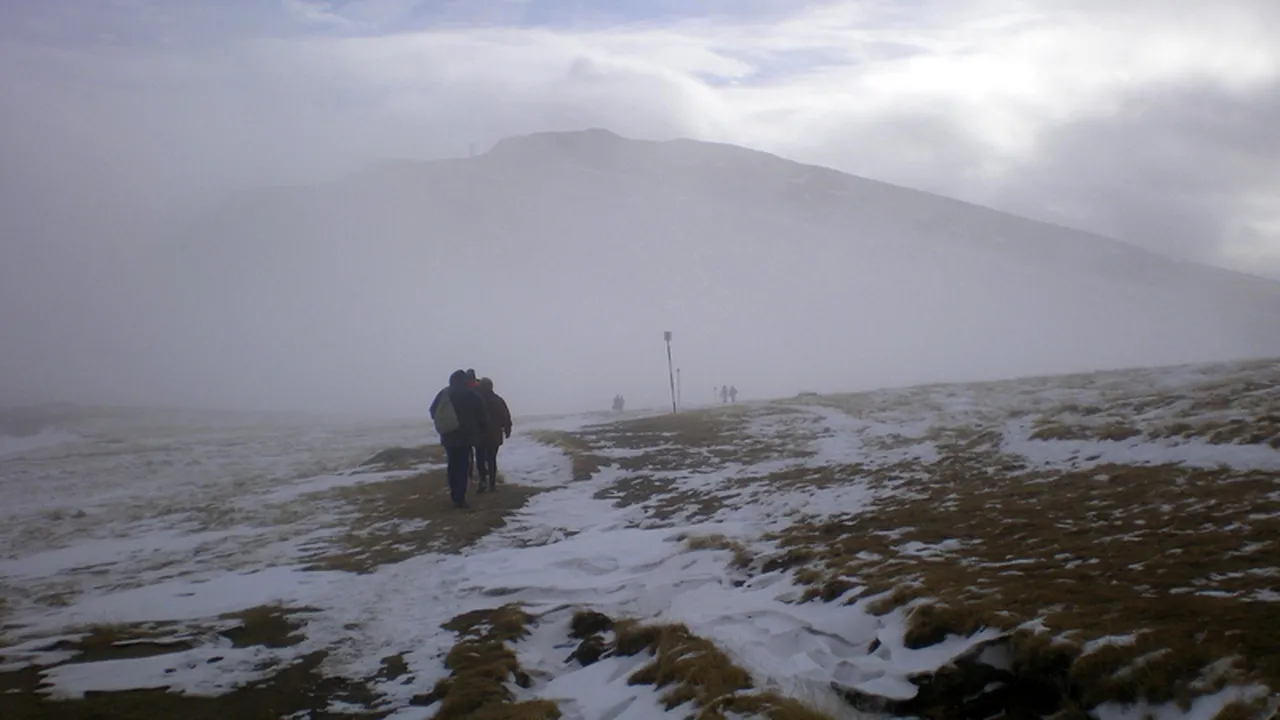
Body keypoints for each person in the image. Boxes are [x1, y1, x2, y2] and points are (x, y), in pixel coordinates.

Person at [429, 369, 489, 509]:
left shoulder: (444, 393)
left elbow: (433, 411)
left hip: (448, 435)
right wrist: (481, 430)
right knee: (463, 465)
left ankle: (454, 492)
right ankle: (459, 497)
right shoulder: (471, 394)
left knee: (452, 463)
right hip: (465, 436)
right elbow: (482, 414)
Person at [475, 377, 513, 493]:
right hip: (494, 434)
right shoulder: (498, 400)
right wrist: (507, 430)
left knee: (480, 458)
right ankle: (492, 484)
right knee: (491, 459)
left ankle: (482, 481)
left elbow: (471, 417)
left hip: (479, 435)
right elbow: (506, 416)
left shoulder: (477, 400)